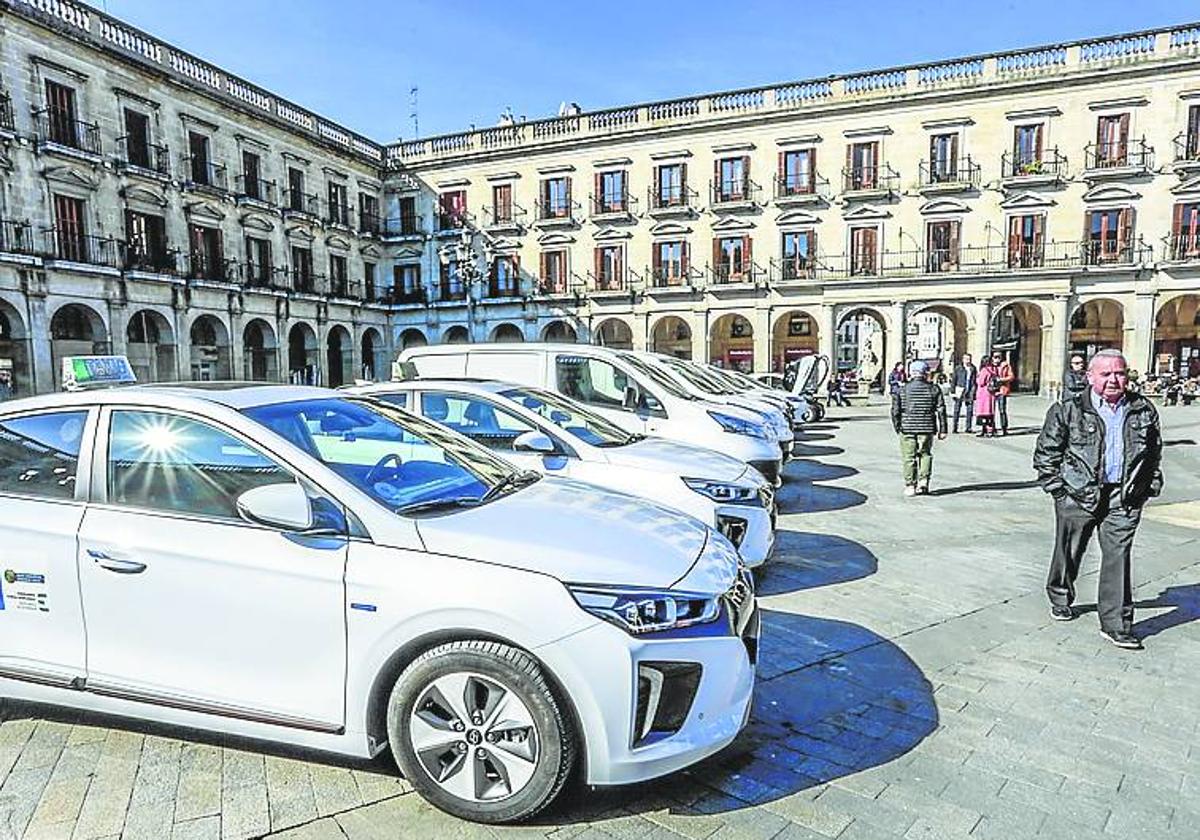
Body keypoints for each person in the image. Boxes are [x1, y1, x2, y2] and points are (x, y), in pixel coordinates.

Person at [1033, 349, 1164, 650]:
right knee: (1070, 550)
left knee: (1118, 557)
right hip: (1078, 494)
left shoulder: (1142, 409)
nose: (1114, 380)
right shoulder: (1067, 410)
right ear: (1090, 377)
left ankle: (1116, 623)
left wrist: (1150, 485)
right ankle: (1061, 594)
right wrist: (1059, 491)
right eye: (1105, 374)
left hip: (1124, 496)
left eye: (1119, 373)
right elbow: (1046, 455)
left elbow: (1154, 452)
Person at [891, 359, 947, 496]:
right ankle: (923, 482)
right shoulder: (934, 389)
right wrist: (943, 429)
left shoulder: (901, 390)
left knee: (909, 457)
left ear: (911, 373)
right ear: (925, 373)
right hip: (927, 427)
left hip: (907, 427)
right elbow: (940, 409)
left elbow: (895, 411)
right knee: (925, 454)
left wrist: (898, 426)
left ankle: (910, 485)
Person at [950, 353, 977, 433]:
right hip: (960, 389)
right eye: (966, 359)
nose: (968, 361)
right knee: (957, 409)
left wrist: (974, 390)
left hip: (970, 389)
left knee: (970, 410)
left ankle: (968, 427)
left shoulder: (973, 368)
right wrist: (952, 391)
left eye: (969, 359)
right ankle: (955, 427)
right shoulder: (958, 368)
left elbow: (974, 379)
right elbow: (954, 380)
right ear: (963, 359)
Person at [974, 356, 998, 437]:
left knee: (984, 413)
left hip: (983, 394)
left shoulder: (984, 370)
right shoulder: (993, 369)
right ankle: (991, 430)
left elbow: (981, 382)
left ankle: (985, 431)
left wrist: (977, 378)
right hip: (991, 393)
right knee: (990, 414)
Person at [993, 351, 1015, 435]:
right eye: (995, 357)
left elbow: (1011, 376)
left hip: (1002, 390)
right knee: (992, 411)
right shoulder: (990, 366)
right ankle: (992, 427)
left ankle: (1004, 428)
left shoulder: (1006, 365)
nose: (997, 359)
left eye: (998, 357)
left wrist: (1002, 379)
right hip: (992, 390)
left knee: (1002, 410)